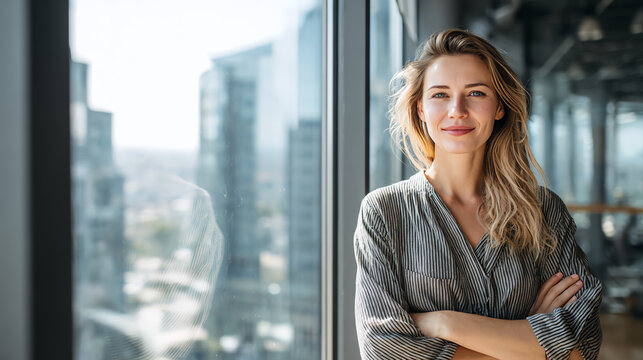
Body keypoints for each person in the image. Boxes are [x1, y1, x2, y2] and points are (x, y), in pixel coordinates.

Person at [353, 29, 602, 360]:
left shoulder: (543, 209)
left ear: (499, 106)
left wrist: (444, 323)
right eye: (440, 95)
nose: (457, 110)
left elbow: (583, 344)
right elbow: (383, 348)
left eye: (476, 93)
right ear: (420, 109)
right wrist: (530, 339)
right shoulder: (384, 211)